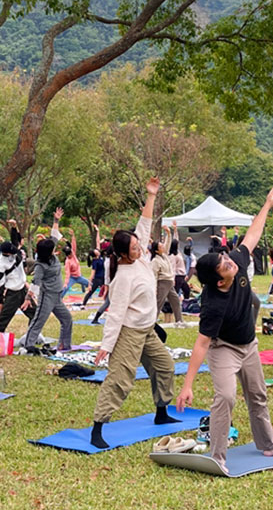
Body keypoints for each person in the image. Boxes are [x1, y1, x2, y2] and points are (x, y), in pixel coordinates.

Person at [175, 186, 273, 475]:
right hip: (224, 348)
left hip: (249, 344)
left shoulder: (238, 263)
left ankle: (268, 444)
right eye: (224, 265)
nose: (231, 261)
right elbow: (202, 344)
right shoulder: (213, 305)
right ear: (218, 281)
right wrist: (187, 385)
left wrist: (266, 205)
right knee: (226, 397)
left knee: (258, 394)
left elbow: (252, 236)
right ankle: (217, 456)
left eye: (227, 258)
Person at [89, 177, 176, 449]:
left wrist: (151, 196)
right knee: (120, 381)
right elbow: (115, 315)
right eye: (135, 248)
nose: (140, 248)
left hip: (147, 330)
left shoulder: (141, 260)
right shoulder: (123, 277)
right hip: (128, 333)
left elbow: (145, 225)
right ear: (123, 255)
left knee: (165, 365)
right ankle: (97, 428)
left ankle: (161, 413)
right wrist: (106, 345)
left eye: (139, 245)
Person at [20, 208, 74, 351]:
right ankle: (28, 346)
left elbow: (54, 235)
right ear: (48, 252)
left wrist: (56, 220)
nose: (55, 248)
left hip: (57, 296)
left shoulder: (50, 255)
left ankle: (64, 345)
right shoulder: (40, 265)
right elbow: (35, 283)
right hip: (47, 296)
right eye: (52, 248)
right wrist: (27, 298)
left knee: (67, 319)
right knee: (38, 322)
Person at [0, 226, 28, 333]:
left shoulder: (14, 251)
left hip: (23, 290)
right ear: (7, 253)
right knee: (3, 319)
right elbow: (1, 285)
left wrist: (14, 227)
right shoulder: (0, 266)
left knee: (34, 314)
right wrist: (0, 302)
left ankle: (32, 337)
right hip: (12, 293)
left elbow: (15, 241)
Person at [153, 227, 183, 325]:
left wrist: (169, 234)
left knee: (175, 301)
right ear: (157, 251)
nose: (163, 247)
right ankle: (152, 321)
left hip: (169, 282)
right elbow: (154, 275)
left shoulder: (164, 256)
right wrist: (155, 288)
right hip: (162, 282)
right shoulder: (155, 261)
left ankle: (179, 320)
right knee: (159, 303)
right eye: (161, 247)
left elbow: (167, 244)